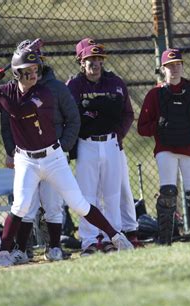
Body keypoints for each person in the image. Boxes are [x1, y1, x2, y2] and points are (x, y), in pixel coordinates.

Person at [0, 47, 133, 267]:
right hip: (26, 159)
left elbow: (19, 111)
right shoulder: (7, 90)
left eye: (36, 69)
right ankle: (4, 252)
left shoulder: (43, 93)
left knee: (79, 203)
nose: (34, 74)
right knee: (21, 206)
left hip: (53, 157)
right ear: (17, 73)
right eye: (28, 70)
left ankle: (116, 237)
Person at [1, 39, 80, 262]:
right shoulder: (13, 90)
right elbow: (6, 125)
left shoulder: (55, 87)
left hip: (53, 154)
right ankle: (21, 250)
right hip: (25, 155)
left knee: (53, 203)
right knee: (26, 205)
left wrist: (62, 147)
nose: (33, 67)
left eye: (36, 59)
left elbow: (73, 119)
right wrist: (11, 151)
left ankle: (53, 247)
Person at [138, 48, 190, 245]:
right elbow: (142, 128)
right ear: (163, 69)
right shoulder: (155, 94)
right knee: (168, 194)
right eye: (170, 65)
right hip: (166, 149)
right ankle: (164, 241)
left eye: (178, 64)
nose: (175, 68)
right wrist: (160, 126)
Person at [67, 40, 134, 255]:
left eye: (98, 59)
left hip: (111, 143)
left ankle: (110, 238)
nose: (95, 64)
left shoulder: (115, 82)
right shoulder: (74, 86)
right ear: (81, 62)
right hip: (87, 144)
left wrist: (119, 135)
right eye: (89, 60)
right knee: (87, 195)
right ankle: (88, 241)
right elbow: (69, 116)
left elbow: (128, 113)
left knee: (112, 194)